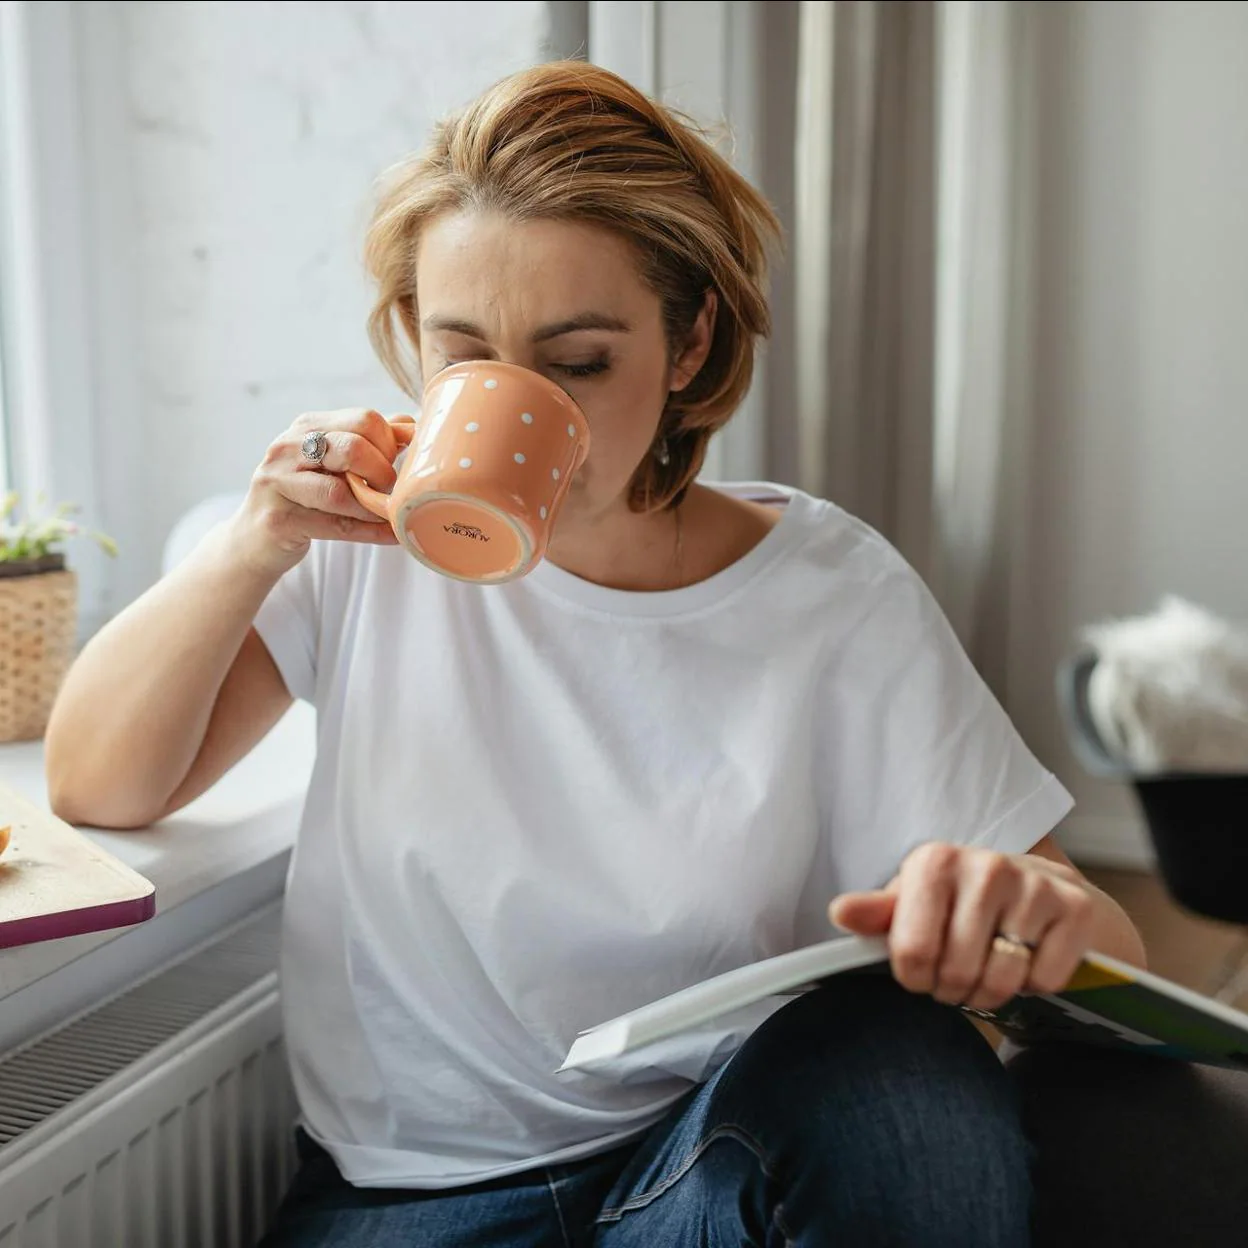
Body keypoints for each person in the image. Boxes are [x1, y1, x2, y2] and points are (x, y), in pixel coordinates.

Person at [45, 61, 1145, 1248]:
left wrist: (1032, 912)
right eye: (465, 354)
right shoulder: (357, 542)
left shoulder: (831, 594)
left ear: (689, 344)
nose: (519, 403)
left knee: (894, 1056)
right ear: (414, 338)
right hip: (410, 1207)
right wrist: (251, 544)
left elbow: (1112, 955)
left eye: (577, 364)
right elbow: (101, 782)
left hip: (706, 1176)